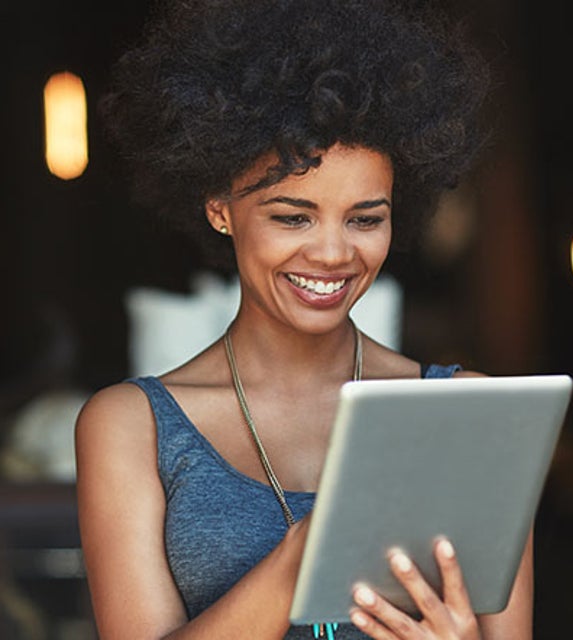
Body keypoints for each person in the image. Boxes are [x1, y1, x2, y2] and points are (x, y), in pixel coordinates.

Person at [75, 1, 533, 639]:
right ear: (220, 208)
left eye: (365, 218)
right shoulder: (134, 428)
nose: (332, 253)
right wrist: (299, 564)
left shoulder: (470, 415)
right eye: (293, 217)